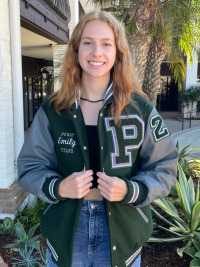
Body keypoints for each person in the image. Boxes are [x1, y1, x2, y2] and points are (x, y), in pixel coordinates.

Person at [17, 11, 178, 267]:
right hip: (68, 228)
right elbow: (29, 166)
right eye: (88, 42)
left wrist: (129, 189)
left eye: (106, 44)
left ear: (118, 52)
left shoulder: (141, 109)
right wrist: (58, 187)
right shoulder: (53, 109)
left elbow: (165, 168)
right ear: (76, 49)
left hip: (122, 227)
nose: (96, 52)